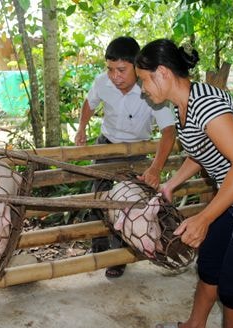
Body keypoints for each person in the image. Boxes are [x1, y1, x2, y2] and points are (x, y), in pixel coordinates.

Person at [134, 38, 233, 328]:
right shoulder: (184, 106)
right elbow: (201, 151)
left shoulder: (206, 104)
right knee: (209, 265)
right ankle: (195, 327)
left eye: (144, 80)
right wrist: (170, 184)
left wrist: (205, 217)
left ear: (163, 73)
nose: (143, 88)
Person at [74, 36, 176, 278]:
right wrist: (81, 128)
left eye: (121, 70)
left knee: (128, 206)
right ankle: (98, 251)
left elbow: (168, 131)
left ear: (136, 66)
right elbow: (90, 103)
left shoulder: (151, 87)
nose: (115, 76)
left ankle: (118, 257)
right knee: (100, 200)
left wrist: (155, 168)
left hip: (137, 154)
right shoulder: (102, 82)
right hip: (106, 148)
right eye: (110, 69)